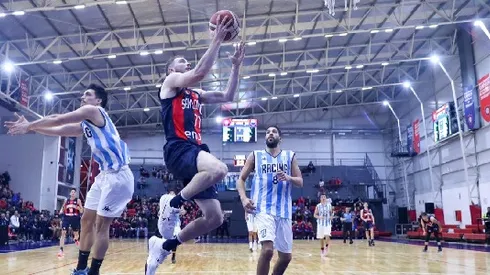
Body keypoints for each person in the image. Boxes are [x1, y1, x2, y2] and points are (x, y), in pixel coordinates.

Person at [144, 16, 246, 274]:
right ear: (171, 70)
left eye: (186, 62)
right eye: (181, 61)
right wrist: (217, 40)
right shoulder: (169, 86)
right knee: (220, 170)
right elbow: (200, 72)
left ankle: (165, 246)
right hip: (179, 148)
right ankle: (174, 203)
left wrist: (235, 67)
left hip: (195, 150)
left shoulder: (196, 94)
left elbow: (228, 96)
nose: (186, 63)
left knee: (215, 218)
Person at [5, 84, 134, 275]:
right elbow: (60, 129)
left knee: (101, 225)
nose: (83, 97)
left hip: (119, 175)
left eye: (88, 95)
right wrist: (32, 129)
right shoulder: (87, 124)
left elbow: (59, 118)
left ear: (98, 100)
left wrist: (30, 124)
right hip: (104, 175)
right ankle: (81, 268)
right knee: (86, 221)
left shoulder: (94, 110)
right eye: (82, 95)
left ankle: (94, 271)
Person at [236, 125, 303, 275]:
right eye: (267, 132)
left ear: (280, 138)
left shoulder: (290, 156)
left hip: (284, 211)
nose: (270, 134)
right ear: (265, 137)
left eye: (274, 132)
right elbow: (240, 179)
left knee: (286, 257)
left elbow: (300, 181)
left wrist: (289, 177)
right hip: (262, 209)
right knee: (267, 251)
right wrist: (244, 198)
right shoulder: (255, 155)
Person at [58, 188, 84, 258]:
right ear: (70, 193)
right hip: (66, 217)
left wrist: (79, 208)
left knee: (76, 234)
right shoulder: (66, 200)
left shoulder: (78, 201)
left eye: (74, 192)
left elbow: (82, 211)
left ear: (75, 194)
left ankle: (75, 239)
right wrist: (60, 211)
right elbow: (63, 207)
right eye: (71, 192)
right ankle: (61, 250)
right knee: (63, 233)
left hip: (75, 218)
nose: (73, 193)